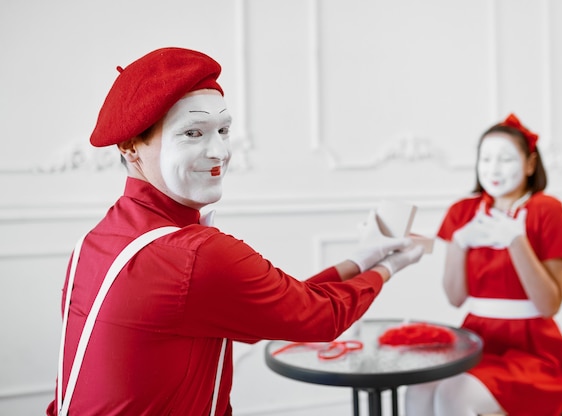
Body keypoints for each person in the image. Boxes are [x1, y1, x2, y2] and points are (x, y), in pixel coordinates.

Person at [47, 47, 425, 416]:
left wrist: (362, 259)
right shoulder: (195, 254)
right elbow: (319, 316)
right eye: (193, 133)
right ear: (131, 147)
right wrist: (390, 266)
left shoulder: (97, 240)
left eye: (223, 130)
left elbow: (276, 305)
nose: (220, 152)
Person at [405, 114, 562, 416]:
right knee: (418, 387)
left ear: (530, 164)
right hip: (477, 338)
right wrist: (459, 243)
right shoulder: (463, 211)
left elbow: (550, 304)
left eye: (506, 159)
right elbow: (455, 298)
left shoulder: (547, 209)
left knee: (453, 396)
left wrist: (516, 242)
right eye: (485, 159)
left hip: (532, 346)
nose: (493, 169)